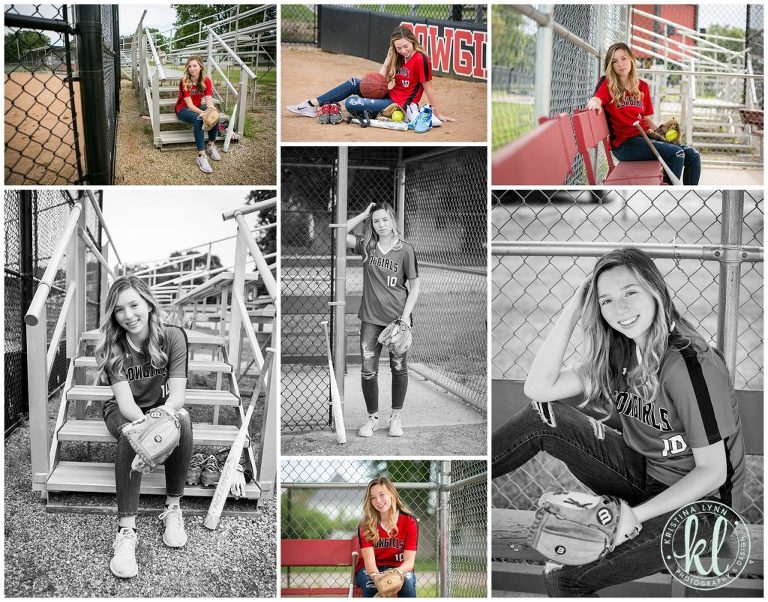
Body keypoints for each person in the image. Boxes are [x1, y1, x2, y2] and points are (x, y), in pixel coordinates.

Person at [492, 248, 745, 596]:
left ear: (655, 290)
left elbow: (713, 472)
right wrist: (573, 308)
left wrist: (635, 516)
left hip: (701, 514)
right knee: (542, 418)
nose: (620, 309)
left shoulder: (689, 363)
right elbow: (539, 389)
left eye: (630, 293)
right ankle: (465, 483)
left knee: (563, 576)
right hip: (647, 479)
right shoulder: (621, 352)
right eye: (606, 300)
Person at [95, 276, 192, 579]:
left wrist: (164, 417)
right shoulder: (113, 346)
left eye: (134, 304)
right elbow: (125, 404)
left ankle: (173, 509)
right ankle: (126, 531)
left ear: (149, 303)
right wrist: (145, 429)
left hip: (161, 408)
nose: (128, 315)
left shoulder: (173, 336)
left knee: (184, 418)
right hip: (124, 411)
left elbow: (177, 395)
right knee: (130, 432)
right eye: (119, 309)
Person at [346, 202, 420, 438]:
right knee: (368, 370)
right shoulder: (367, 246)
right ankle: (373, 419)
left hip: (397, 320)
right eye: (376, 220)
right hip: (370, 319)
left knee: (398, 367)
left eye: (385, 219)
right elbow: (338, 233)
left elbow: (415, 285)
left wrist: (406, 317)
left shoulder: (405, 249)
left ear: (392, 220)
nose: (381, 225)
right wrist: (363, 214)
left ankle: (396, 418)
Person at [287, 26, 455, 127]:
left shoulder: (421, 59)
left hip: (398, 105)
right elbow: (379, 84)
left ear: (412, 41)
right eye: (398, 48)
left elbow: (429, 89)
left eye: (405, 46)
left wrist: (438, 114)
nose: (403, 50)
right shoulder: (398, 57)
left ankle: (378, 112)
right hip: (388, 96)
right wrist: (388, 59)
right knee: (353, 82)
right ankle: (311, 104)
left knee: (351, 103)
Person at [585, 43, 701, 185]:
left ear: (631, 59)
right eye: (615, 61)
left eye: (624, 58)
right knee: (676, 153)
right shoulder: (609, 85)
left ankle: (688, 194)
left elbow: (646, 120)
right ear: (611, 65)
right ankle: (668, 199)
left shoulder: (642, 86)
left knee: (693, 155)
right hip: (624, 145)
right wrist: (594, 102)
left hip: (644, 137)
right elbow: (597, 98)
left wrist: (661, 132)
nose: (620, 64)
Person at [356, 476, 418, 597]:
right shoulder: (366, 525)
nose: (378, 501)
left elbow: (409, 562)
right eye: (373, 498)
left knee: (408, 583)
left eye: (382, 494)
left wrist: (396, 574)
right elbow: (370, 565)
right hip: (371, 569)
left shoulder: (409, 521)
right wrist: (377, 577)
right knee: (371, 585)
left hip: (399, 568)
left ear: (392, 494)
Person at [174, 55, 220, 174]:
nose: (191, 69)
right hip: (183, 109)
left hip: (198, 107)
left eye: (194, 66)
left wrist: (211, 110)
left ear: (200, 67)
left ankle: (210, 145)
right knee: (199, 119)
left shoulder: (206, 80)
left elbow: (209, 100)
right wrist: (204, 113)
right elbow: (189, 105)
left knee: (215, 114)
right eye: (189, 66)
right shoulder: (184, 81)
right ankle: (201, 156)